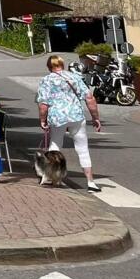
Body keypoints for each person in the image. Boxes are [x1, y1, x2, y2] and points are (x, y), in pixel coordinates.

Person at [36, 54, 102, 192]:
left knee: (55, 146)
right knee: (83, 149)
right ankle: (91, 182)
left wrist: (42, 120)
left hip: (57, 118)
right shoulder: (75, 77)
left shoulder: (46, 80)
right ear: (62, 64)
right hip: (76, 116)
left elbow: (43, 104)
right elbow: (89, 98)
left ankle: (49, 177)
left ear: (49, 66)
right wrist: (95, 118)